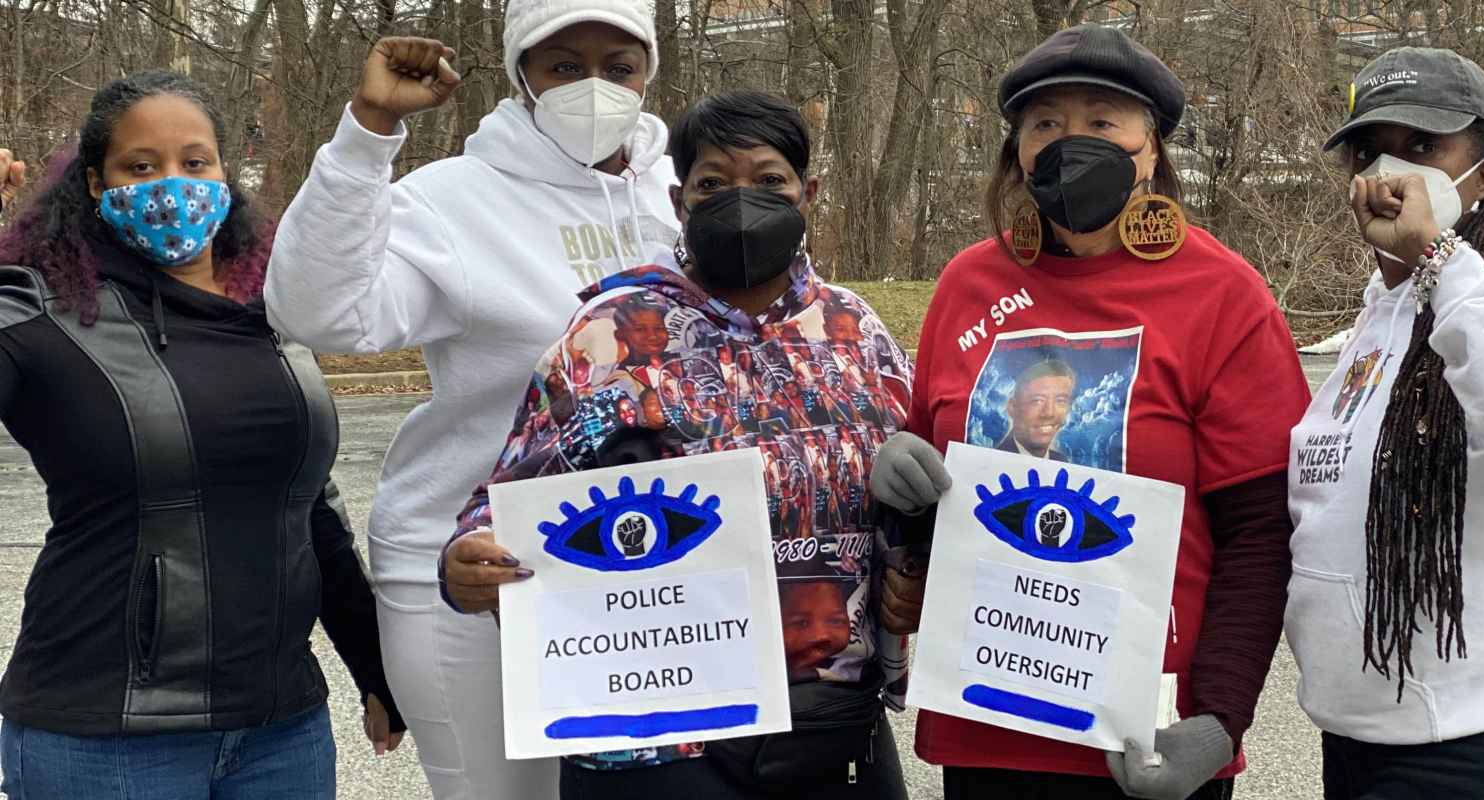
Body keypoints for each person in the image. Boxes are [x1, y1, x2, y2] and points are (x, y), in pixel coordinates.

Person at [867, 24, 1311, 800]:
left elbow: (1261, 530)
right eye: (1046, 124)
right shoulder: (968, 285)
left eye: (1103, 121)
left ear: (1152, 150)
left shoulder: (1223, 294)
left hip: (1150, 741)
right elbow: (944, 496)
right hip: (989, 724)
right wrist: (897, 493)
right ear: (1016, 152)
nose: (1072, 141)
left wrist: (1222, 718)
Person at [439, 90, 915, 799]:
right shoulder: (612, 334)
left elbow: (900, 497)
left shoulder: (855, 331)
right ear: (678, 199)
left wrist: (914, 574)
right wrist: (466, 564)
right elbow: (505, 504)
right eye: (714, 184)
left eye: (770, 180)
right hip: (657, 741)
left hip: (831, 729)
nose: (742, 199)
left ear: (807, 193)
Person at [260, 0, 679, 795]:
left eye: (619, 66)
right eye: (563, 65)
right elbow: (319, 311)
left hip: (649, 567)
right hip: (473, 578)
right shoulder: (456, 199)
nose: (594, 86)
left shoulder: (682, 190)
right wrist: (367, 133)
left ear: (649, 71)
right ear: (522, 72)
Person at [0, 72, 404, 799]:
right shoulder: (41, 313)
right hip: (104, 738)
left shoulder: (275, 311)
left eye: (195, 162)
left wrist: (375, 667)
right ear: (95, 184)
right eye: (140, 166)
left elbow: (310, 508)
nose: (172, 186)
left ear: (227, 173)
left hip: (280, 732)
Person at [1286, 46, 1484, 798]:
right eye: (1371, 150)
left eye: (1423, 146)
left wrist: (1441, 259)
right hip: (1366, 732)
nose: (1391, 170)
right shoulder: (1376, 319)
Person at [996, 357, 1076, 459]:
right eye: (1037, 401)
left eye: (1060, 401)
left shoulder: (1062, 461)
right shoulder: (994, 461)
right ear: (1012, 407)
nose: (1049, 413)